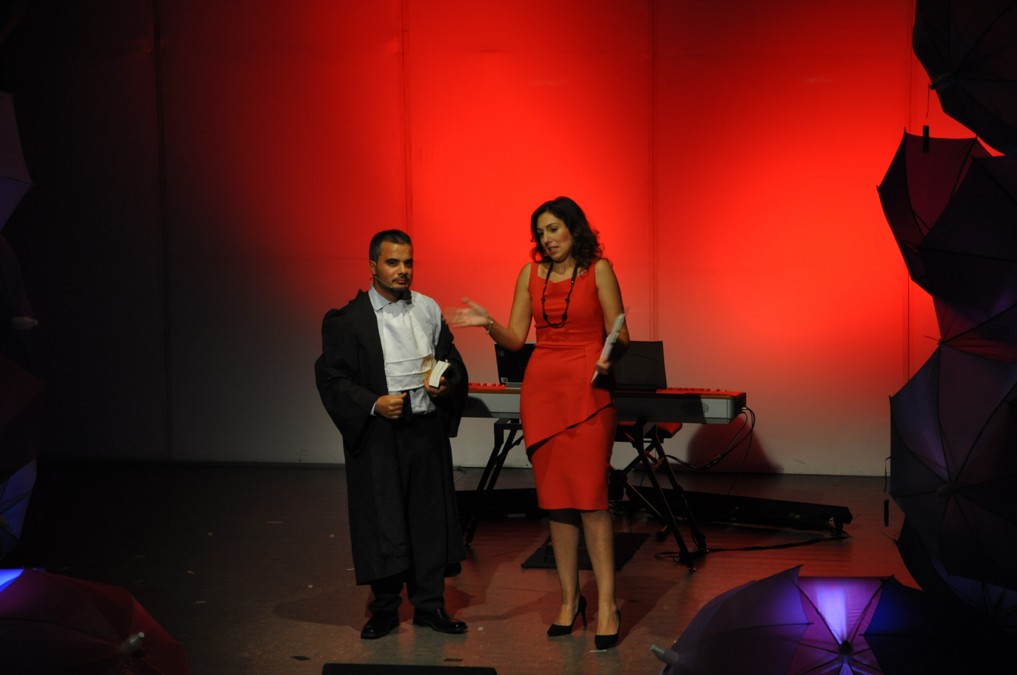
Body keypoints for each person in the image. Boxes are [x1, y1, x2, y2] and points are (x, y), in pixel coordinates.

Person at [446, 196, 628, 649]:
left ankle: (607, 605)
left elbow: (620, 332)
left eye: (554, 229)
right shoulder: (529, 275)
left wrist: (610, 357)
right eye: (540, 233)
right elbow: (516, 338)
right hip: (542, 391)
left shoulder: (599, 270)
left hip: (588, 389)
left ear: (574, 229)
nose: (547, 239)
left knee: (590, 500)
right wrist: (488, 323)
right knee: (556, 503)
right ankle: (569, 601)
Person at [314, 229, 469, 640]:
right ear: (373, 267)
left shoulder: (428, 309)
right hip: (380, 435)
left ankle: (429, 605)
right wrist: (373, 403)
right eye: (393, 262)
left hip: (425, 431)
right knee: (383, 519)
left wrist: (446, 383)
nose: (403, 270)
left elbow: (451, 360)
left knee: (429, 519)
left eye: (408, 262)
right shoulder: (349, 320)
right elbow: (332, 378)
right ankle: (384, 609)